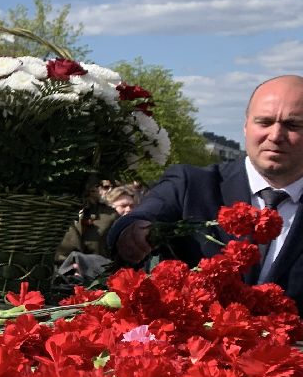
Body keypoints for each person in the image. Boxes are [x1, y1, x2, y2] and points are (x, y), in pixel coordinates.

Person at [109, 75, 303, 304]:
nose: (275, 136)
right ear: (245, 126)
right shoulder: (189, 185)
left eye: (292, 125)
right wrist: (132, 233)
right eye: (264, 122)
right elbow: (139, 218)